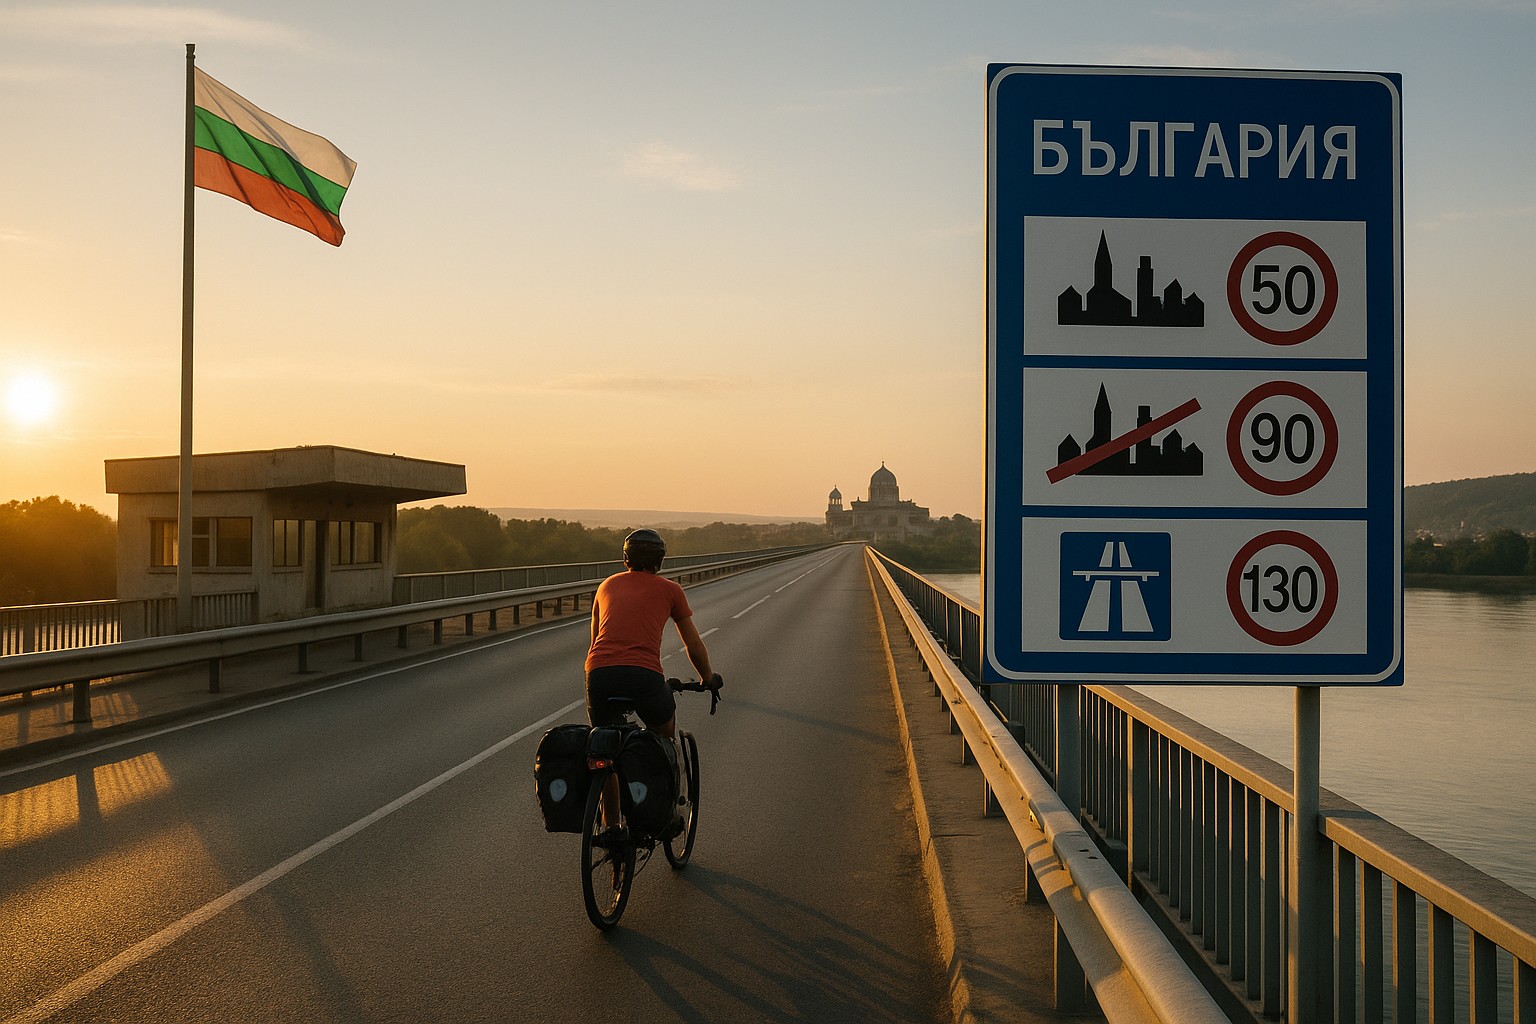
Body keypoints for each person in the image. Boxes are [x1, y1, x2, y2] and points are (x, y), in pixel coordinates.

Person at [585, 528, 720, 833]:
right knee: (665, 737)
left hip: (599, 674)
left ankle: (612, 827)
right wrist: (707, 678)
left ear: (625, 558)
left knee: (605, 749)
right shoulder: (671, 590)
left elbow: (595, 642)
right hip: (643, 675)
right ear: (660, 560)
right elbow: (693, 644)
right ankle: (668, 813)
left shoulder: (605, 586)